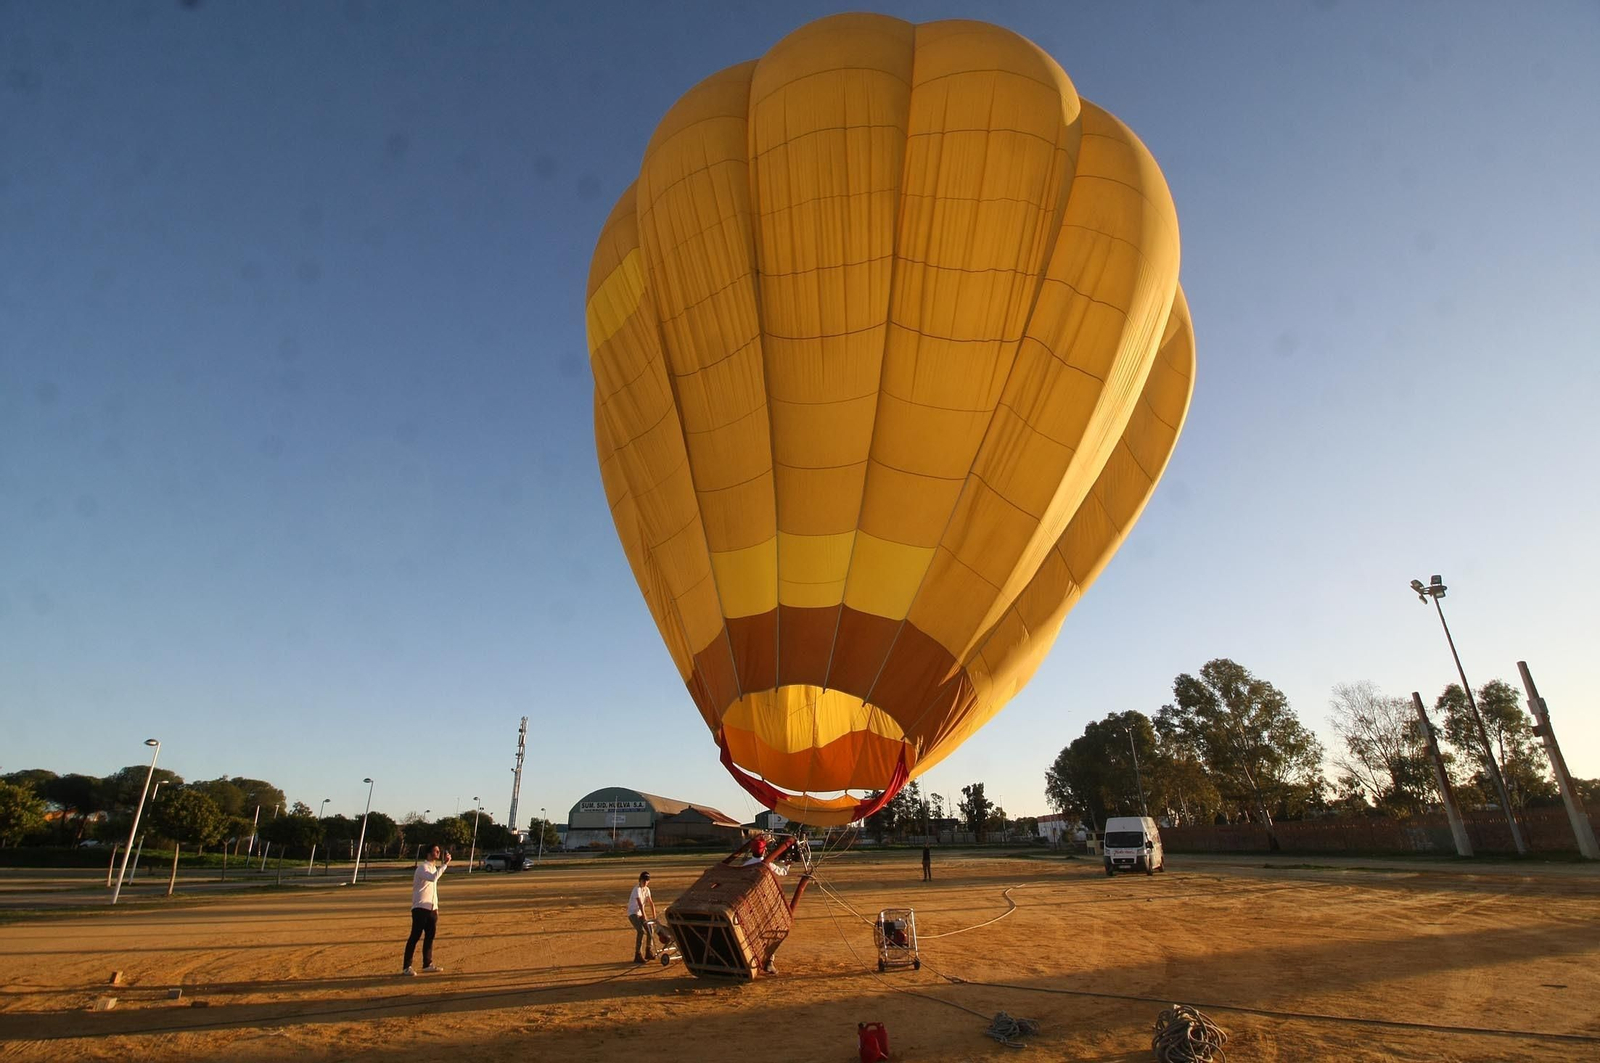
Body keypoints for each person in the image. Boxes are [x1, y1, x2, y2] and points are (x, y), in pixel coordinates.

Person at [402, 844, 450, 976]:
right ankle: (407, 966)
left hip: (431, 908)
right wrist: (445, 865)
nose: (438, 853)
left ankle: (427, 963)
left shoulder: (433, 868)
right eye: (436, 851)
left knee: (430, 937)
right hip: (420, 908)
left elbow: (433, 890)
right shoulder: (422, 868)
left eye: (439, 851)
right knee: (415, 937)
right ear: (429, 853)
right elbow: (433, 878)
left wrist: (436, 908)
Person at [628, 871, 656, 963]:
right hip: (633, 913)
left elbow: (651, 903)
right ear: (640, 880)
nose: (645, 882)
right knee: (641, 931)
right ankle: (638, 954)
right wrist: (644, 916)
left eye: (647, 881)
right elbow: (640, 904)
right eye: (643, 880)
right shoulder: (637, 889)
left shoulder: (647, 889)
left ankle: (648, 951)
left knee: (650, 929)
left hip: (640, 913)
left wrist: (654, 916)